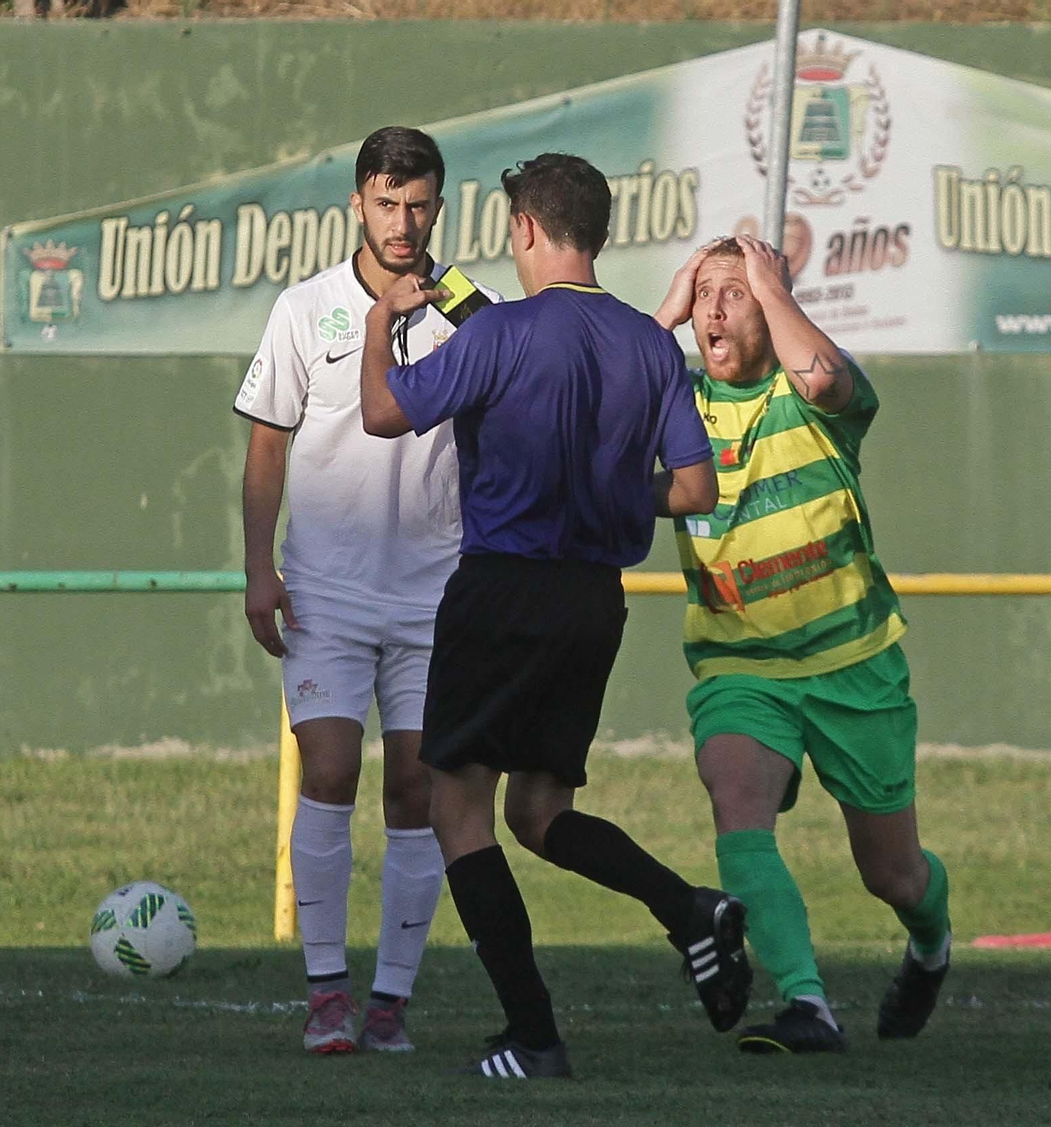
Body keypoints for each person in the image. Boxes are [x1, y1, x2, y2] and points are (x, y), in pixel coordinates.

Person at [358, 153, 752, 1080]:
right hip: (592, 602)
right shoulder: (650, 345)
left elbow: (381, 412)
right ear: (598, 233)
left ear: (527, 227)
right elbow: (696, 488)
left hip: (502, 590)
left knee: (458, 808)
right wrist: (610, 489)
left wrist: (381, 323)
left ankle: (534, 1035)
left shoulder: (504, 332)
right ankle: (691, 909)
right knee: (539, 811)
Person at [651, 234, 953, 1054]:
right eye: (704, 295)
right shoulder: (676, 402)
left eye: (735, 293)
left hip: (853, 663)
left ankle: (931, 945)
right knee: (736, 800)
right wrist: (665, 313)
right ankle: (806, 1002)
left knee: (893, 875)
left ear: (772, 306)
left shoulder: (813, 396)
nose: (715, 310)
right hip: (740, 665)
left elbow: (822, 376)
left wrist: (775, 285)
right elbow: (594, 402)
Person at [233, 126, 498, 1055]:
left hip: (435, 595)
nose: (402, 222)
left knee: (417, 786)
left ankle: (389, 1001)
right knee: (331, 770)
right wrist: (260, 567)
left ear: (440, 206)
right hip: (326, 593)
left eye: (418, 204)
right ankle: (325, 995)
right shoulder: (305, 309)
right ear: (357, 203)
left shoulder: (474, 313)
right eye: (386, 203)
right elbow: (267, 448)